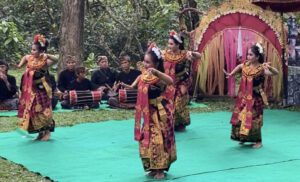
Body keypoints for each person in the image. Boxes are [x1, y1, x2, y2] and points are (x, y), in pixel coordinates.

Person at [122, 44, 176, 179]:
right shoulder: (144, 75)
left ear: (156, 63)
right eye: (144, 61)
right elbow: (136, 83)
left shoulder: (159, 77)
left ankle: (160, 170)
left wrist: (157, 72)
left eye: (148, 62)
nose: (145, 64)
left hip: (159, 114)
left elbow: (170, 81)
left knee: (158, 141)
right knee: (146, 141)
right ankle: (152, 167)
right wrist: (128, 87)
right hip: (147, 114)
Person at [224, 43, 279, 149]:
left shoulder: (262, 68)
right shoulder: (246, 65)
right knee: (240, 116)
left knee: (254, 119)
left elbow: (275, 73)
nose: (248, 57)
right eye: (248, 54)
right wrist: (231, 74)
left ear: (257, 57)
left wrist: (270, 67)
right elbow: (239, 66)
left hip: (256, 98)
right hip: (245, 97)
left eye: (251, 55)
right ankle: (244, 138)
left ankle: (258, 141)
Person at [17, 34, 58, 141]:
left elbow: (56, 59)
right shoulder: (29, 58)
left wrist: (46, 55)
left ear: (40, 51)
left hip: (42, 89)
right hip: (31, 90)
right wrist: (20, 64)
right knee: (33, 111)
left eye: (34, 50)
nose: (32, 52)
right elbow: (24, 58)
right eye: (31, 49)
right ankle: (40, 133)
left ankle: (47, 132)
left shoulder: (44, 61)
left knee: (44, 110)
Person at [162, 30, 201, 131]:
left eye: (171, 44)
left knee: (179, 101)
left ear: (178, 45)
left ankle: (181, 123)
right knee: (169, 102)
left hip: (182, 80)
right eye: (168, 43)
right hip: (169, 82)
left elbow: (199, 56)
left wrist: (192, 53)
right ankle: (171, 123)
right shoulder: (165, 54)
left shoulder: (184, 54)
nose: (169, 46)